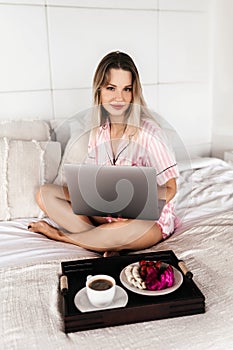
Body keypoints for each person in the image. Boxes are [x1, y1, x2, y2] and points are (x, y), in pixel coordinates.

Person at [28, 51, 179, 257]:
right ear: (99, 91)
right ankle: (106, 242)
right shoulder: (98, 133)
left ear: (134, 93)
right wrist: (92, 198)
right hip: (108, 214)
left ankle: (64, 237)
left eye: (127, 89)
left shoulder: (149, 132)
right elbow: (101, 184)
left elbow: (171, 188)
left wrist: (135, 211)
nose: (119, 97)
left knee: (119, 230)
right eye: (111, 88)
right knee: (45, 194)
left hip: (146, 220)